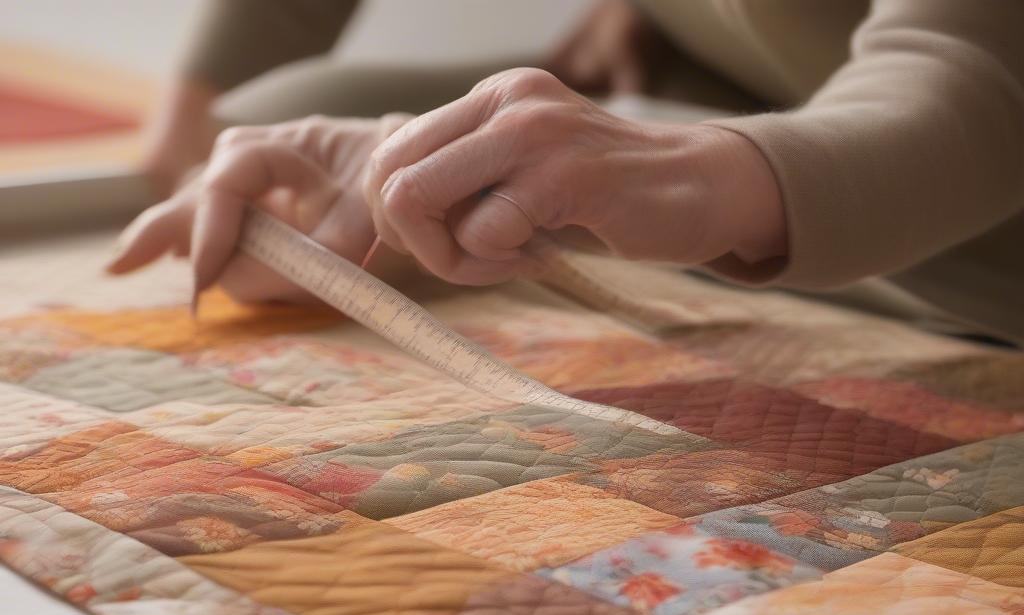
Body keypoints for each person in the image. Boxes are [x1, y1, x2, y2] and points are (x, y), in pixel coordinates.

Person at [114, 0, 1024, 346]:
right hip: (738, 84)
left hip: (967, 205)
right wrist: (181, 129)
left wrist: (694, 178)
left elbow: (977, 83)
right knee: (280, 121)